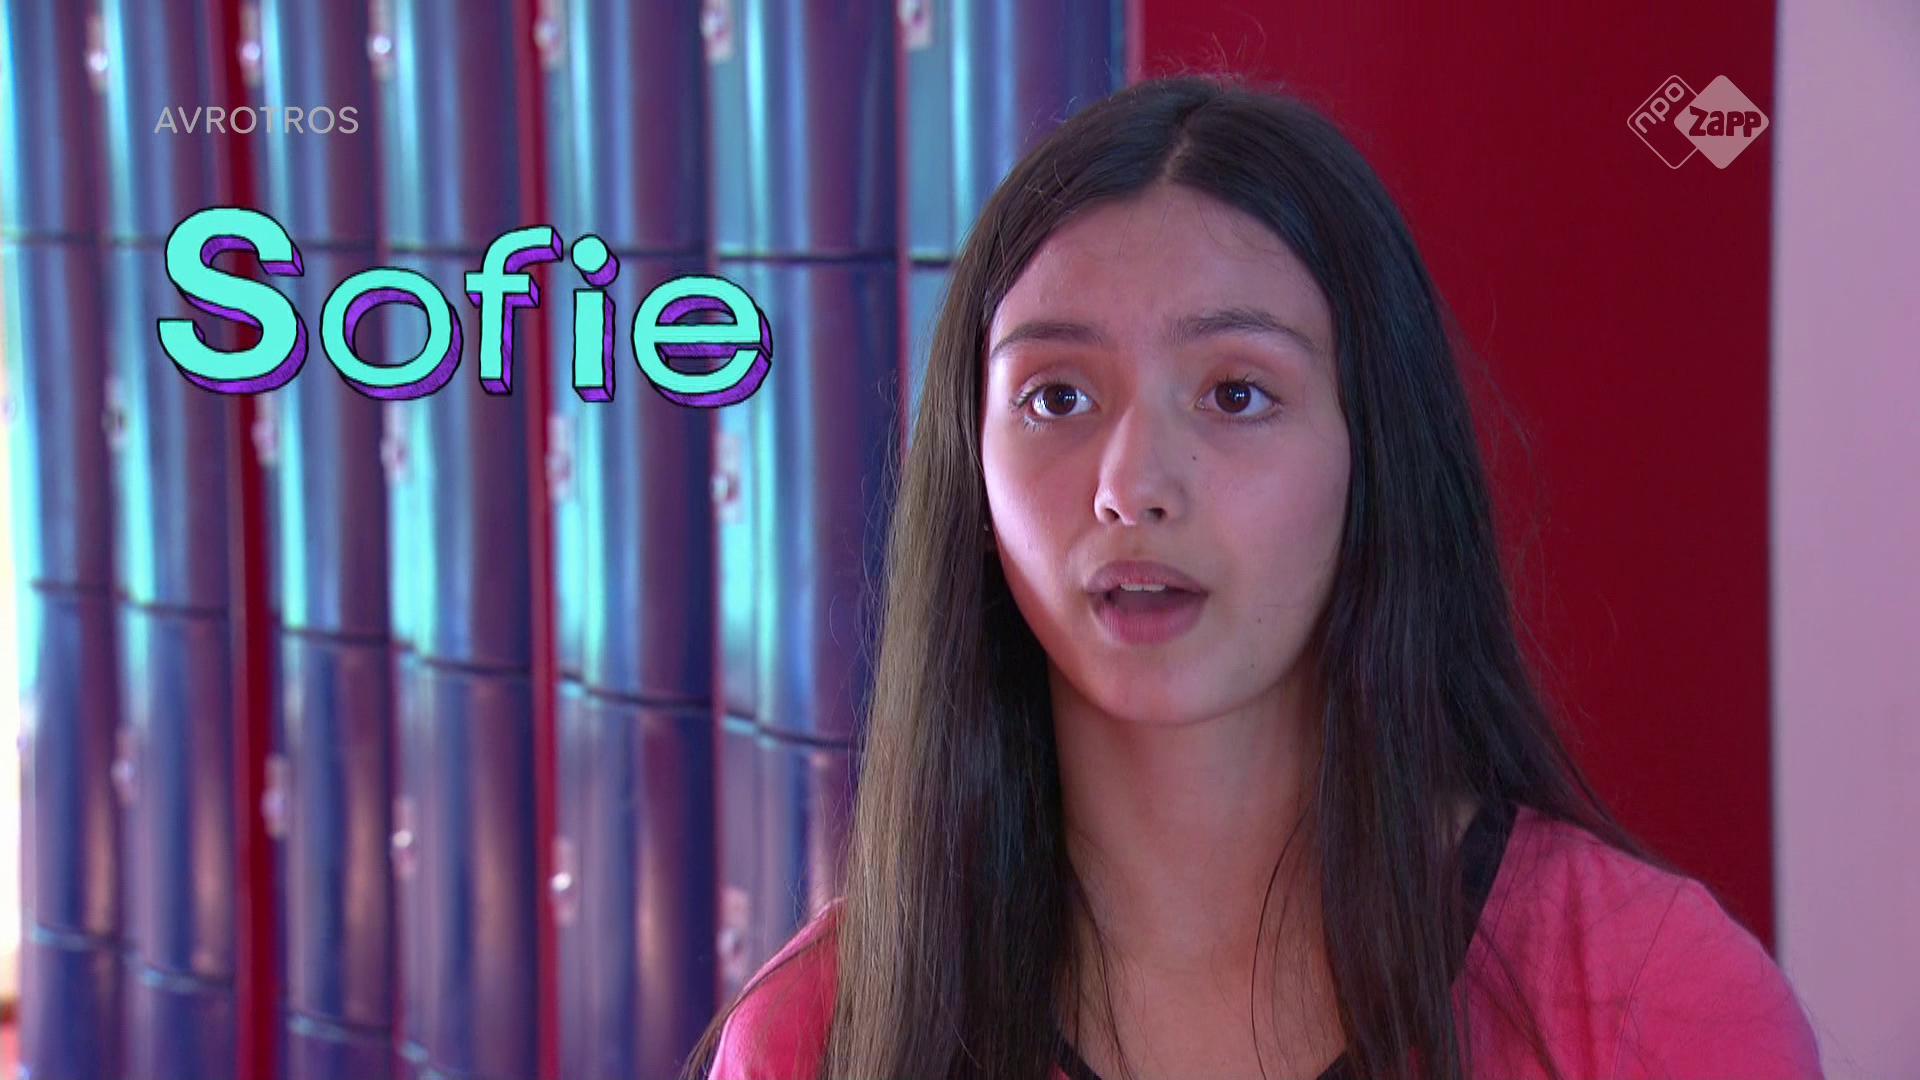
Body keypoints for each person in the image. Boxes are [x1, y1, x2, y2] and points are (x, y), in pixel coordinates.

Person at [682, 74, 1823, 1080]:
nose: (1132, 486)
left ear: (1374, 457)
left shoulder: (1652, 1004)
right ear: (970, 481)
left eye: (1237, 394)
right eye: (1057, 397)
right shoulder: (816, 1035)